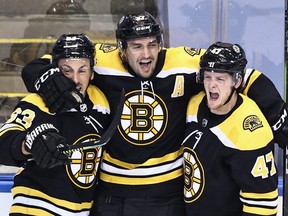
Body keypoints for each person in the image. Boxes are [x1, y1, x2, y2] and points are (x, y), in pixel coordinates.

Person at [21, 12, 287, 216]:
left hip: (168, 198)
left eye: (152, 44)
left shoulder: (184, 62)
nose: (146, 53)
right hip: (111, 197)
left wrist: (278, 115)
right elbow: (57, 62)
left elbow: (240, 73)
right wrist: (44, 77)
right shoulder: (103, 60)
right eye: (136, 46)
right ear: (122, 49)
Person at [0, 33, 110, 215]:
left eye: (82, 70)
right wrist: (29, 143)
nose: (75, 80)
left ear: (92, 72)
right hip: (35, 208)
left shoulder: (102, 102)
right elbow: (4, 140)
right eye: (67, 70)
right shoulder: (38, 102)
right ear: (55, 71)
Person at [182, 42, 278, 215]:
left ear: (237, 81)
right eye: (208, 77)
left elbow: (263, 206)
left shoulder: (251, 132)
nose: (211, 85)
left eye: (220, 79)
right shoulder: (194, 104)